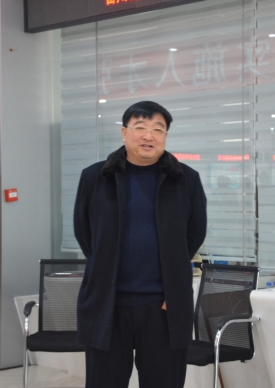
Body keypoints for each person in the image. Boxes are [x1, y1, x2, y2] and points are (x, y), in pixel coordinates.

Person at [74, 101, 207, 388]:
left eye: (158, 129)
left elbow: (194, 234)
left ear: (165, 136)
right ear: (124, 132)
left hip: (164, 306)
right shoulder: (95, 177)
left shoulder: (186, 180)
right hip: (108, 305)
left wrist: (171, 275)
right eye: (140, 127)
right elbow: (85, 233)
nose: (149, 136)